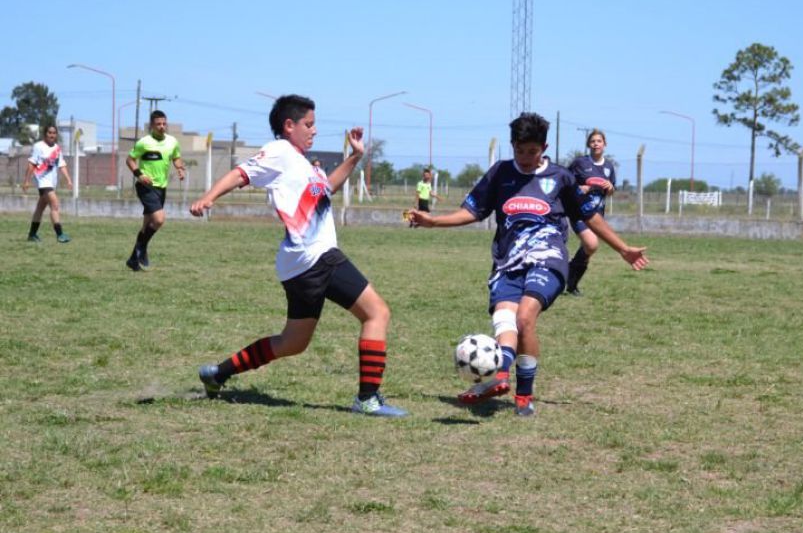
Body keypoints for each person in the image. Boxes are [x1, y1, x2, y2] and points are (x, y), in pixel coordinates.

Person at [409, 113, 647, 416]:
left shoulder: (560, 177)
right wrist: (434, 222)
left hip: (548, 258)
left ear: (544, 147)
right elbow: (472, 211)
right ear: (512, 146)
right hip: (508, 262)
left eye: (532, 152)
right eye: (519, 151)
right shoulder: (500, 173)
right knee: (504, 319)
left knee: (525, 318)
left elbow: (590, 216)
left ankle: (519, 391)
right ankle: (503, 380)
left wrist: (623, 248)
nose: (525, 158)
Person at [190, 94, 406, 418]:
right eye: (309, 124)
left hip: (299, 265)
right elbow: (240, 173)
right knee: (377, 313)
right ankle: (368, 398)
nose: (314, 130)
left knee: (293, 342)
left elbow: (327, 188)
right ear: (288, 126)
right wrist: (208, 197)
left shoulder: (302, 164)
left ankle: (217, 374)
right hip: (317, 257)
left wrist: (354, 157)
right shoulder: (279, 152)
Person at [124, 110, 185, 271]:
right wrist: (139, 175)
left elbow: (176, 156)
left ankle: (133, 259)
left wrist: (179, 167)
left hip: (161, 188)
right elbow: (130, 160)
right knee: (158, 220)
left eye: (164, 123)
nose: (162, 127)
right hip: (146, 186)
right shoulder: (144, 142)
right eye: (158, 124)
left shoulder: (172, 141)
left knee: (146, 225)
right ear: (151, 125)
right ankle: (141, 249)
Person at [566, 128, 617, 295]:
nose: (596, 144)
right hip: (579, 212)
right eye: (593, 141)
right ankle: (568, 274)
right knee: (591, 244)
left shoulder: (609, 167)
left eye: (599, 141)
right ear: (589, 144)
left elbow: (610, 190)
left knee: (589, 249)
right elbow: (565, 182)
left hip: (597, 214)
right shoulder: (580, 163)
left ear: (605, 144)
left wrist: (610, 188)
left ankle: (571, 283)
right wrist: (579, 188)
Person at [22, 124, 72, 242]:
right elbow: (31, 164)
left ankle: (32, 234)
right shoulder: (38, 146)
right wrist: (27, 181)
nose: (52, 135)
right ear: (45, 134)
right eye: (49, 132)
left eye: (54, 133)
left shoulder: (57, 149)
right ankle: (60, 234)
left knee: (40, 208)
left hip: (51, 183)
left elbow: (62, 165)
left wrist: (68, 179)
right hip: (42, 182)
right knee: (54, 204)